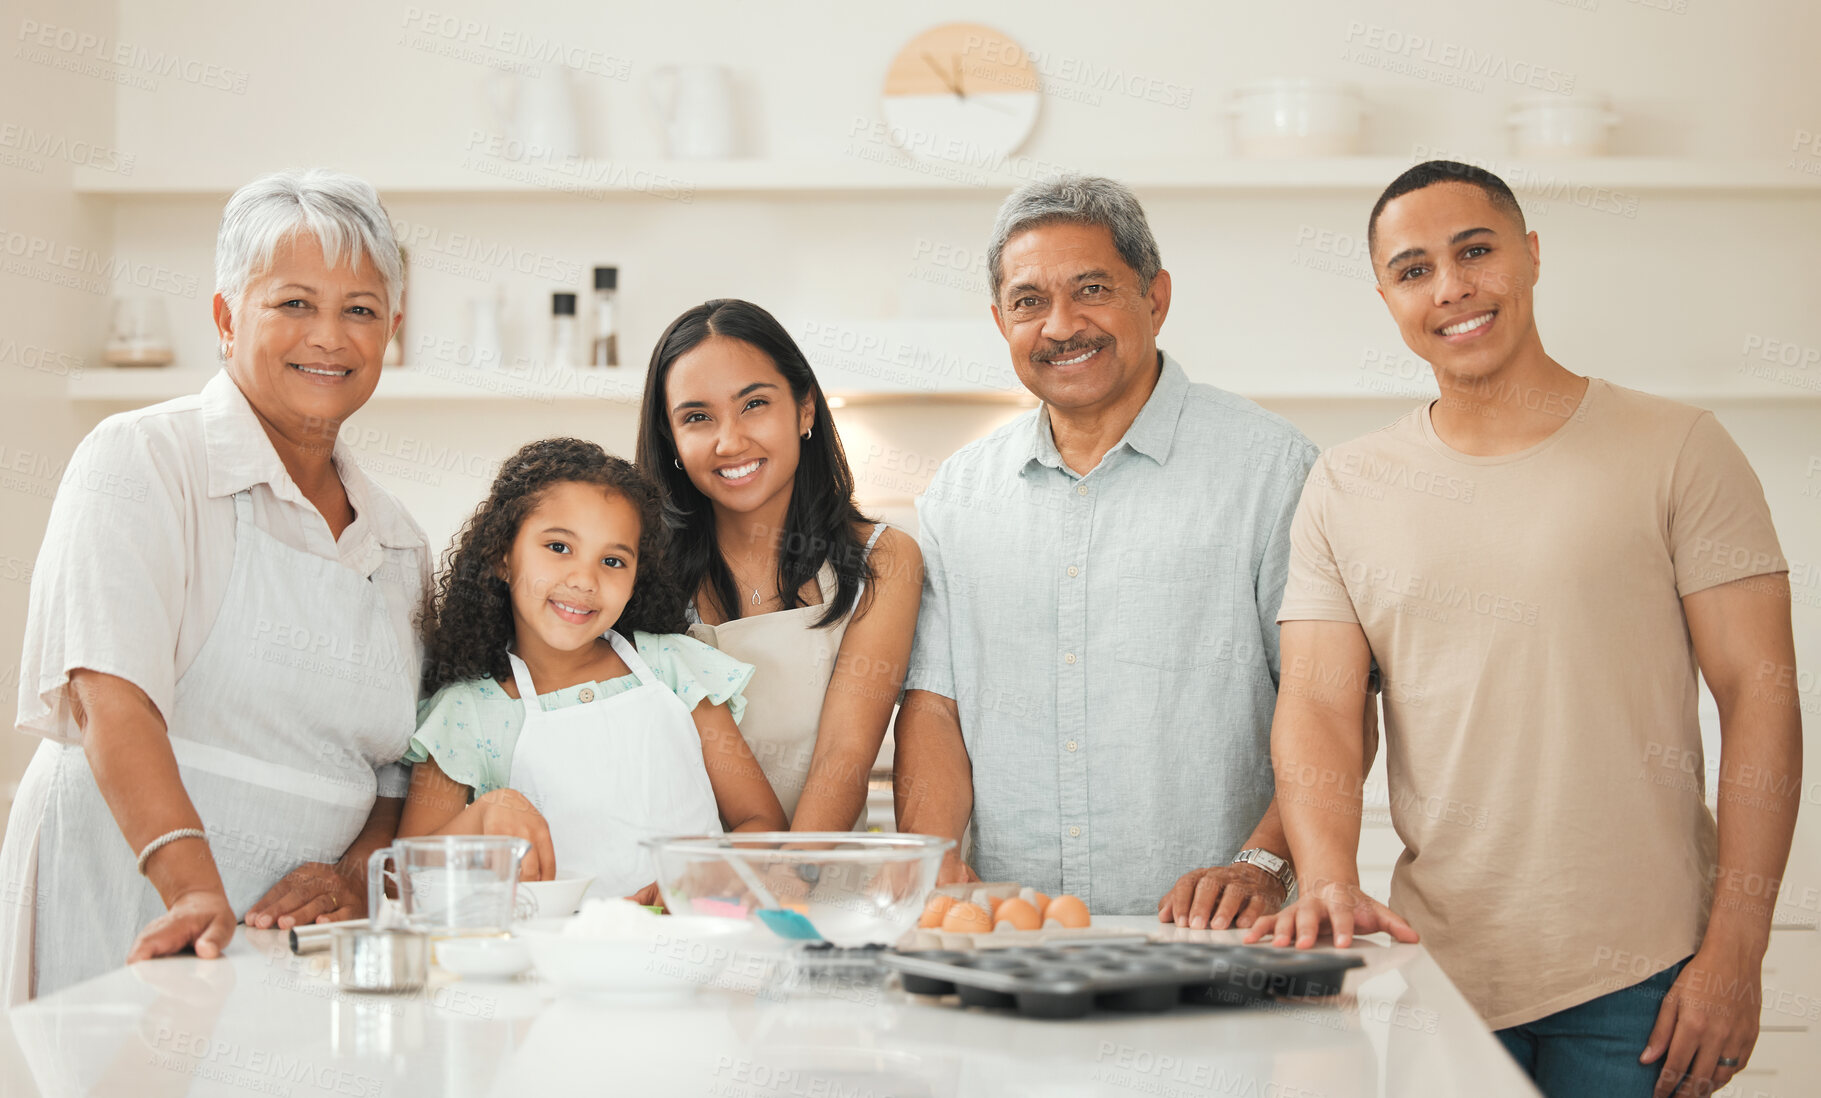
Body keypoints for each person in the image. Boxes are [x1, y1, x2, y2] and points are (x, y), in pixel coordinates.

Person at [1243, 161, 1801, 1098]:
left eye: (1475, 251)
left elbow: (1760, 696)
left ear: (1530, 257)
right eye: (1413, 269)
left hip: (1646, 972)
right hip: (1440, 971)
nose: (1451, 287)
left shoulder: (1678, 448)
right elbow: (1319, 704)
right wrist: (1331, 883)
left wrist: (1736, 954)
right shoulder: (1346, 485)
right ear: (1385, 296)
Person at [0, 169, 428, 1002]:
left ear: (393, 333)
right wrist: (191, 886)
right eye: (294, 303)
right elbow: (107, 697)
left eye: (360, 310)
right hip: (137, 908)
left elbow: (395, 775)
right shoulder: (142, 460)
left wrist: (350, 876)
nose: (330, 337)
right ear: (227, 318)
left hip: (298, 949)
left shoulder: (399, 541)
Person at [894, 175, 1323, 919]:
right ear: (1000, 323)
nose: (1061, 326)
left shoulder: (1273, 471)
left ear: (1153, 298)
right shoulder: (957, 497)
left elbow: (1328, 700)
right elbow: (934, 705)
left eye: (1090, 289)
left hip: (1217, 938)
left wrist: (1260, 865)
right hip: (1015, 940)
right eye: (1029, 302)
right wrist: (932, 865)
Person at [397, 438, 786, 901]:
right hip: (551, 964)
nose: (585, 580)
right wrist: (483, 817)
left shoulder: (675, 668)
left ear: (636, 576)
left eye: (612, 560)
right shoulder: (467, 714)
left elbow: (762, 822)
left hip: (692, 946)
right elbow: (406, 880)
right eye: (559, 547)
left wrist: (708, 874)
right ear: (503, 555)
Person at [635, 300, 922, 831]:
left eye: (754, 404)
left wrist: (786, 883)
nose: (730, 441)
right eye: (697, 417)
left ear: (805, 408)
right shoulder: (636, 570)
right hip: (679, 893)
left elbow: (844, 755)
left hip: (819, 885)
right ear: (671, 438)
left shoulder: (883, 559)